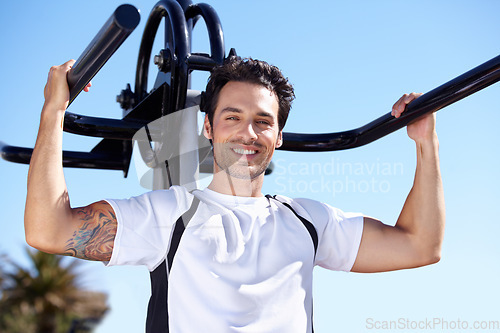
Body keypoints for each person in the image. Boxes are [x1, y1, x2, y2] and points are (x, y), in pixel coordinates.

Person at [25, 57, 445, 332]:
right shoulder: (169, 214)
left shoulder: (306, 221)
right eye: (233, 117)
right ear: (208, 128)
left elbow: (419, 245)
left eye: (263, 121)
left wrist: (426, 143)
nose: (249, 133)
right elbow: (48, 229)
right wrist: (54, 111)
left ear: (279, 135)